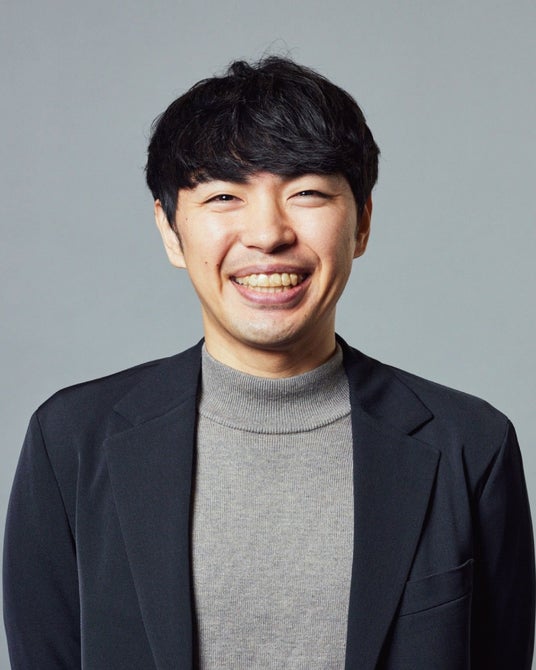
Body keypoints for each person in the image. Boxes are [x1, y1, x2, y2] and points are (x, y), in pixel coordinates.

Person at [3, 57, 534, 670]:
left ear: (362, 222)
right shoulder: (71, 441)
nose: (268, 234)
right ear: (171, 231)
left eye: (306, 193)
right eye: (224, 196)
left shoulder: (470, 445)